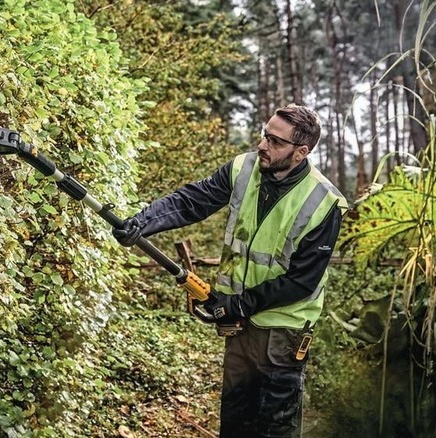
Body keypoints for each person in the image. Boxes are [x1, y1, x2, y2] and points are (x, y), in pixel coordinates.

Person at [113, 104, 348, 438]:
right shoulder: (244, 167)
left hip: (282, 333)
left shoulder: (324, 202)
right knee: (236, 423)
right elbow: (191, 201)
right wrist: (142, 223)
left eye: (275, 141)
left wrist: (236, 304)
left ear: (301, 152)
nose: (263, 145)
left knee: (273, 428)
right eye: (264, 135)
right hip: (239, 326)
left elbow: (302, 281)